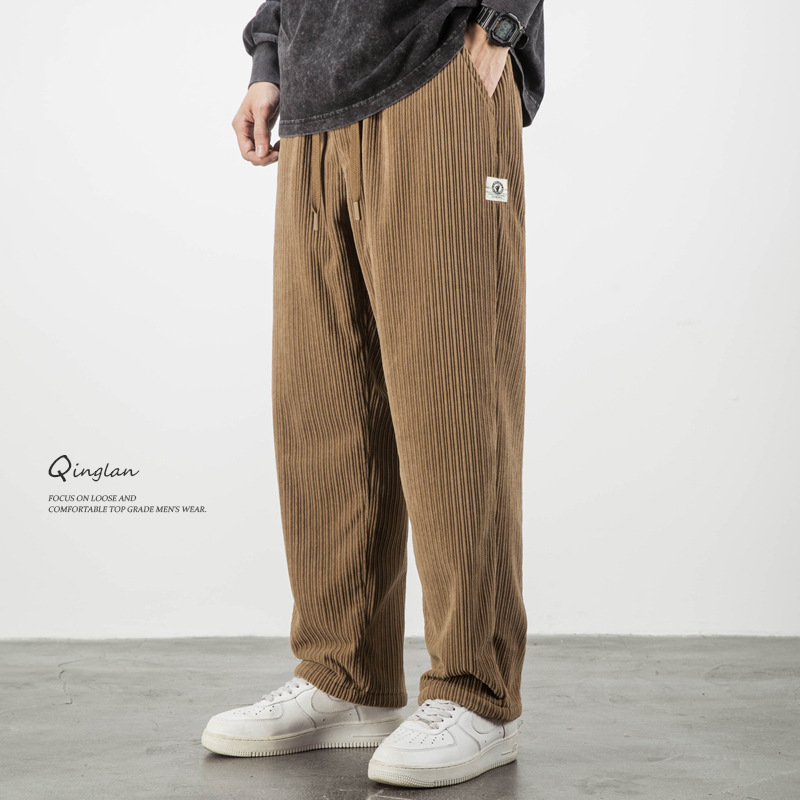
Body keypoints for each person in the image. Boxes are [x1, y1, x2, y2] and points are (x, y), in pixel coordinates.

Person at [202, 0, 545, 788]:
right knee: (324, 406)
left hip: (438, 67)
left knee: (453, 398)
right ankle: (345, 675)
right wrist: (270, 57)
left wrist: (500, 25)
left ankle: (477, 692)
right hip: (315, 102)